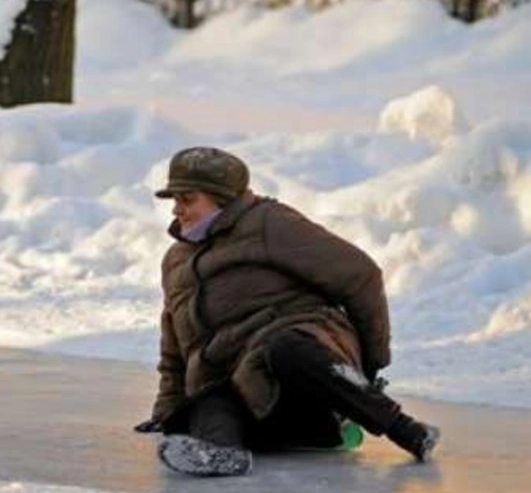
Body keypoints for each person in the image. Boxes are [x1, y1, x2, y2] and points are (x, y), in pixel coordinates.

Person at [135, 147, 439, 476]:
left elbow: (360, 275)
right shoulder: (176, 260)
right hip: (256, 397)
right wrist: (165, 409)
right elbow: (175, 345)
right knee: (205, 399)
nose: (177, 210)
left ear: (220, 197)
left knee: (287, 348)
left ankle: (405, 428)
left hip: (305, 372)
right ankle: (222, 453)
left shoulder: (268, 223)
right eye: (174, 201)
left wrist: (369, 364)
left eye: (187, 199)